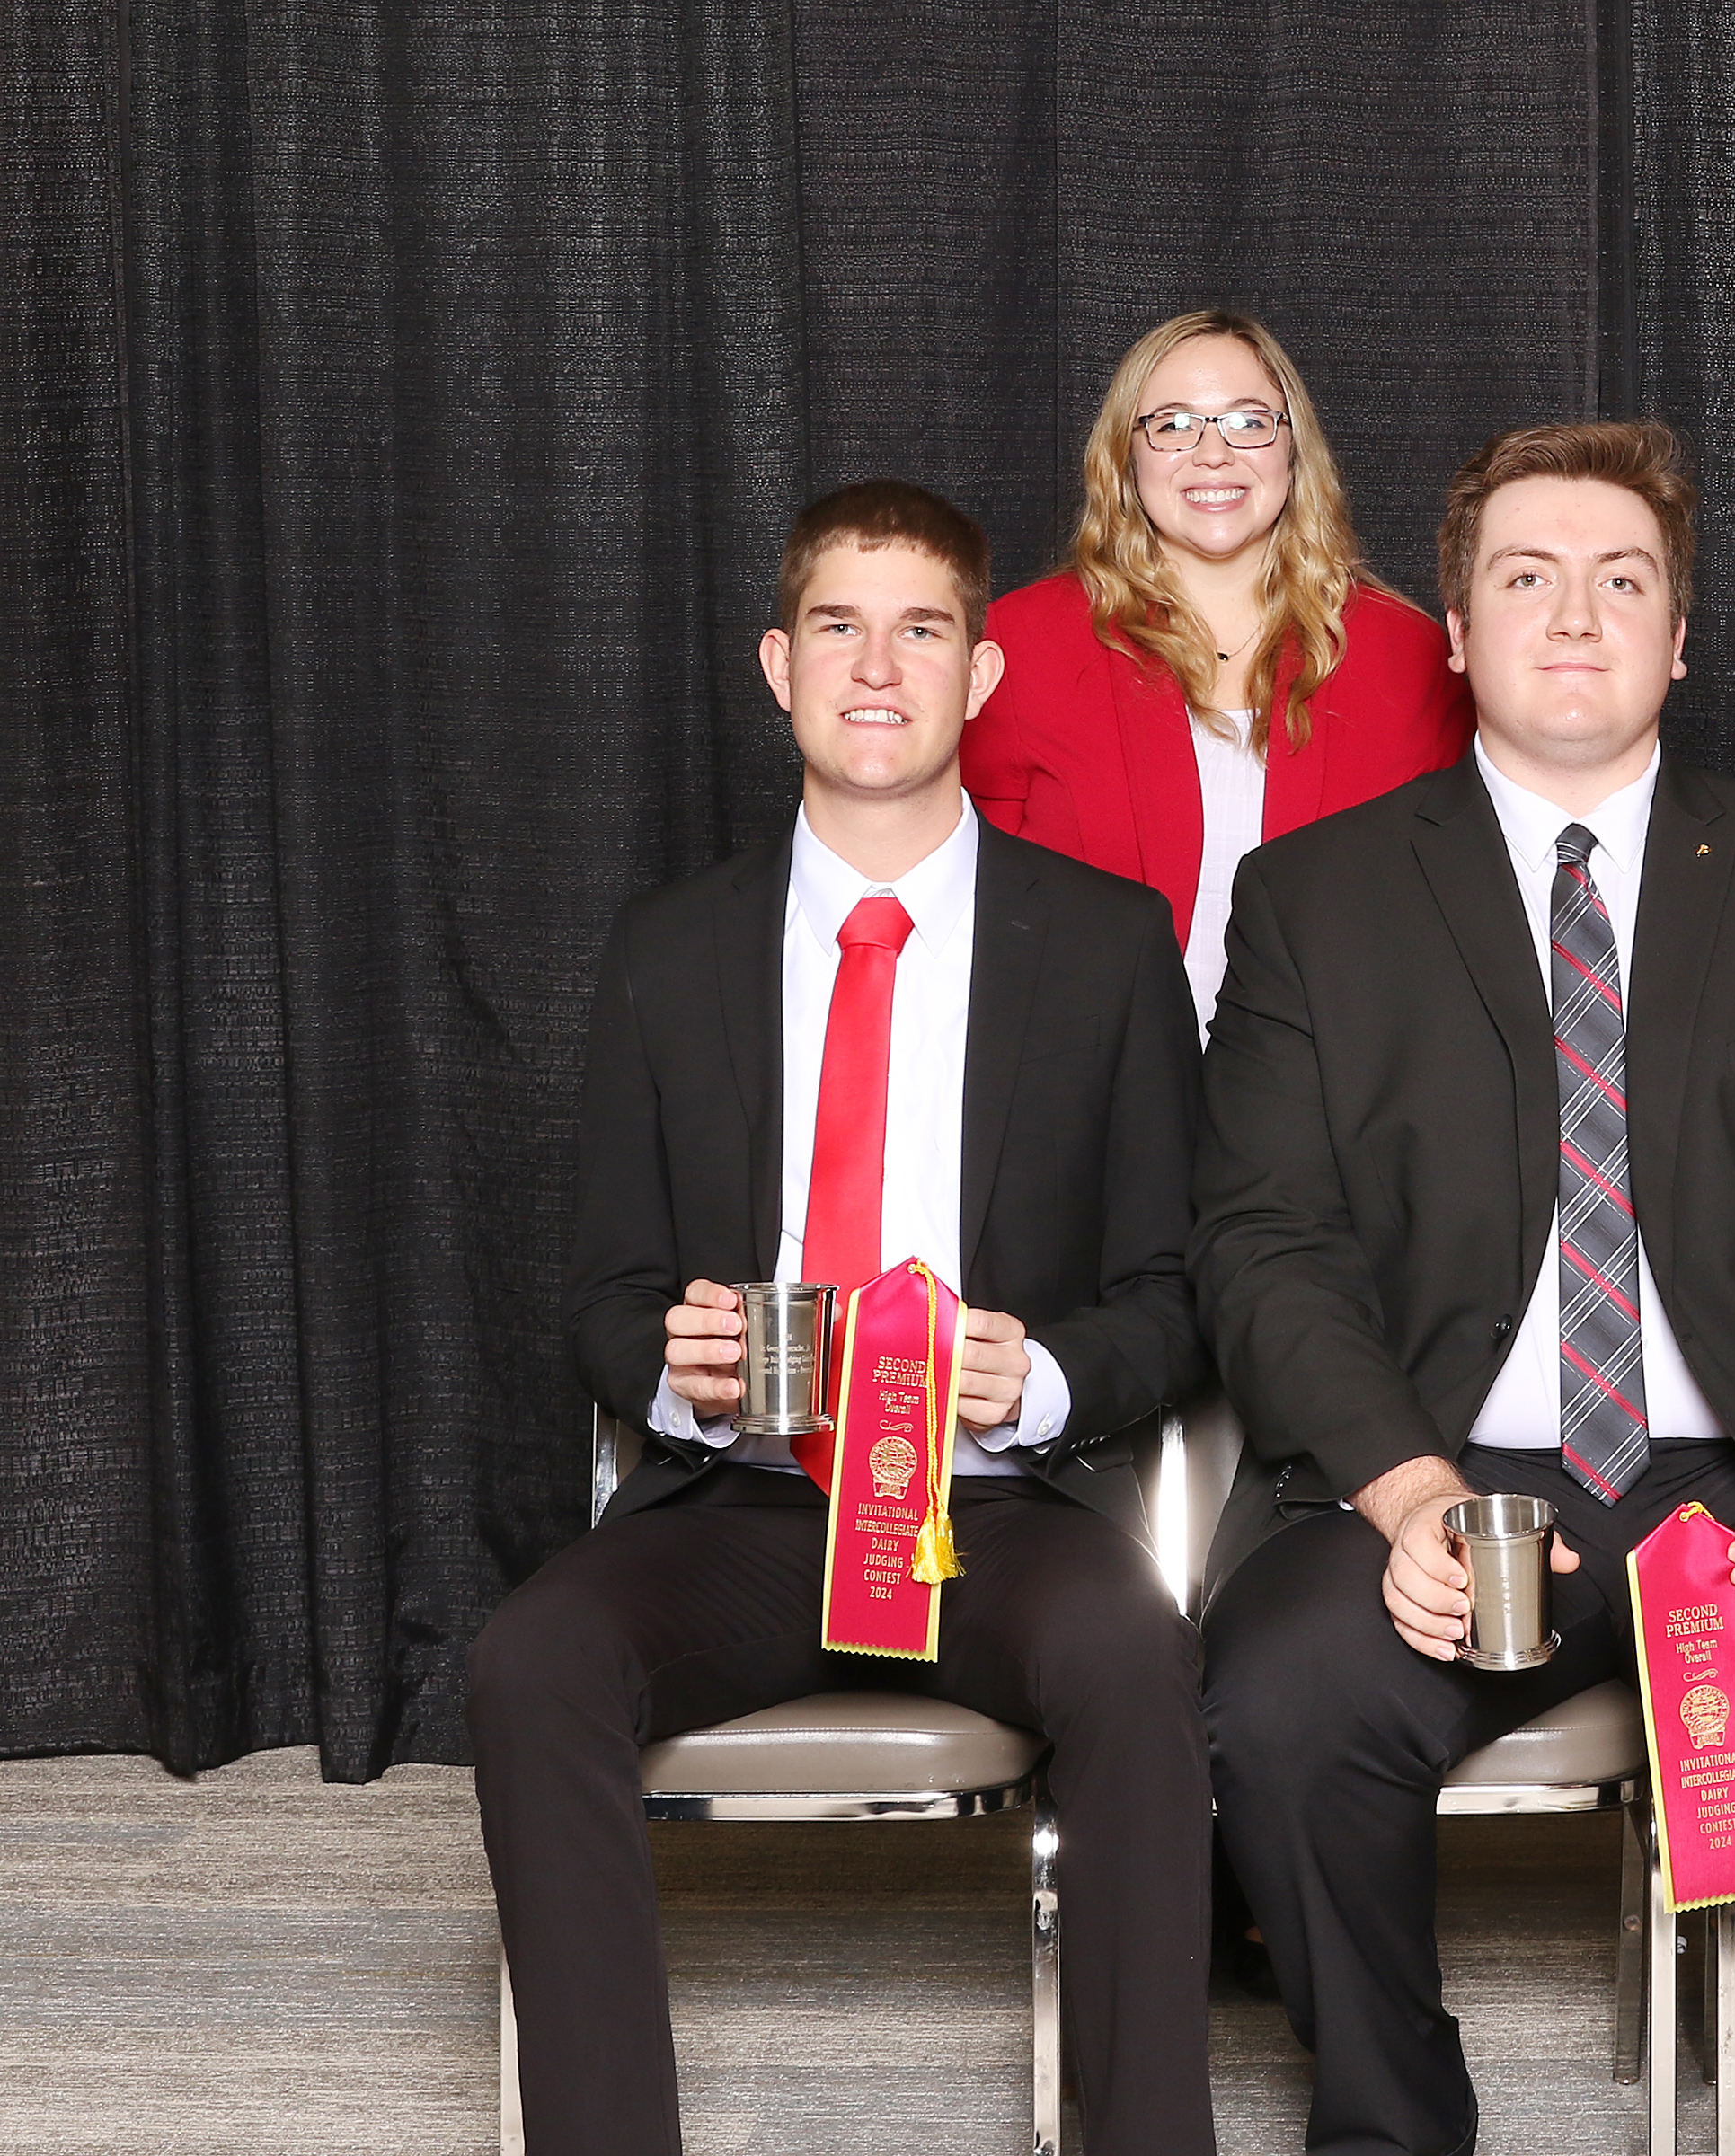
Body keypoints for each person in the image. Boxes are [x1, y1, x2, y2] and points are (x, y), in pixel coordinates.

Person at [1194, 420, 1735, 2156]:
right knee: (1286, 1692)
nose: (1576, 615)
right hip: (1440, 1478)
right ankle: (1396, 2125)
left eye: (1622, 580)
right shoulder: (1312, 901)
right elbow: (1265, 1242)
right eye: (1528, 577)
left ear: (1683, 638)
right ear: (1457, 631)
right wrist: (1406, 1490)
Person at [470, 482, 1215, 2156]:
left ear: (983, 674)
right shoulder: (671, 950)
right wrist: (674, 1368)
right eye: (838, 627)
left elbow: (1181, 1305)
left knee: (1136, 1652)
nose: (878, 667)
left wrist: (1049, 1379)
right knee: (531, 1660)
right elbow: (592, 1300)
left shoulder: (1105, 950)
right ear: (775, 664)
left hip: (998, 1512)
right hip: (746, 1502)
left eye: (923, 628)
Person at [962, 308, 1473, 1032]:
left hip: (1334, 1094)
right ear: (1124, 455)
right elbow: (966, 907)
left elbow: (1460, 918)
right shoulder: (1018, 644)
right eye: (1172, 425)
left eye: (1247, 422)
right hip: (1086, 1085)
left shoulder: (1411, 658)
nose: (1211, 454)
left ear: (1293, 447)